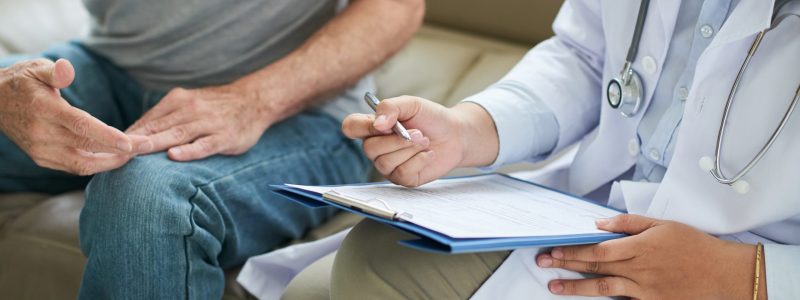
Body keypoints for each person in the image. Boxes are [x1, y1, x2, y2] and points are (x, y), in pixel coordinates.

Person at [287, 0, 800, 299]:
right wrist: (467, 130)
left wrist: (746, 275)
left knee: (374, 267)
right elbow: (583, 56)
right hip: (591, 212)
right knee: (329, 280)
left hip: (742, 262)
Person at [0, 0, 423, 298]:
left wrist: (254, 100)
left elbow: (396, 7)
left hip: (297, 109)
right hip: (111, 66)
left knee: (144, 199)